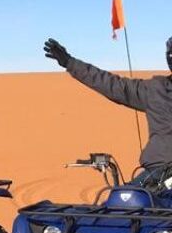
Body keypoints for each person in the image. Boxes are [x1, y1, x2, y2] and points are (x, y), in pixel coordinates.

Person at [44, 37, 172, 179]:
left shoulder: (154, 89)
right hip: (157, 172)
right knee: (126, 197)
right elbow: (112, 85)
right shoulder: (155, 90)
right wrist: (69, 62)